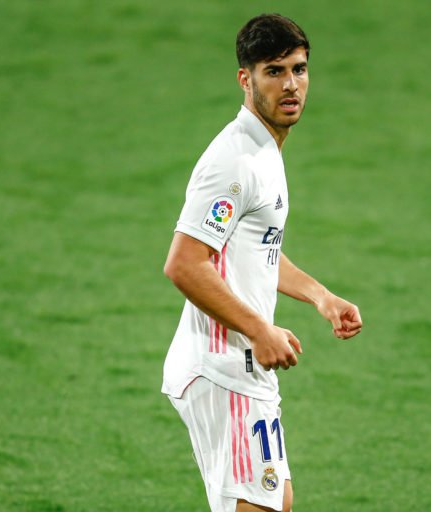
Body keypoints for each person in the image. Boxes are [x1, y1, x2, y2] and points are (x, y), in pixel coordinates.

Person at [161, 13, 363, 512]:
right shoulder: (235, 162)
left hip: (239, 366)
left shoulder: (265, 149)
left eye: (299, 69)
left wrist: (321, 297)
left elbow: (254, 246)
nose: (291, 85)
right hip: (222, 367)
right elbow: (185, 263)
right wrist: (258, 330)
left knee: (277, 502)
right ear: (244, 79)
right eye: (274, 71)